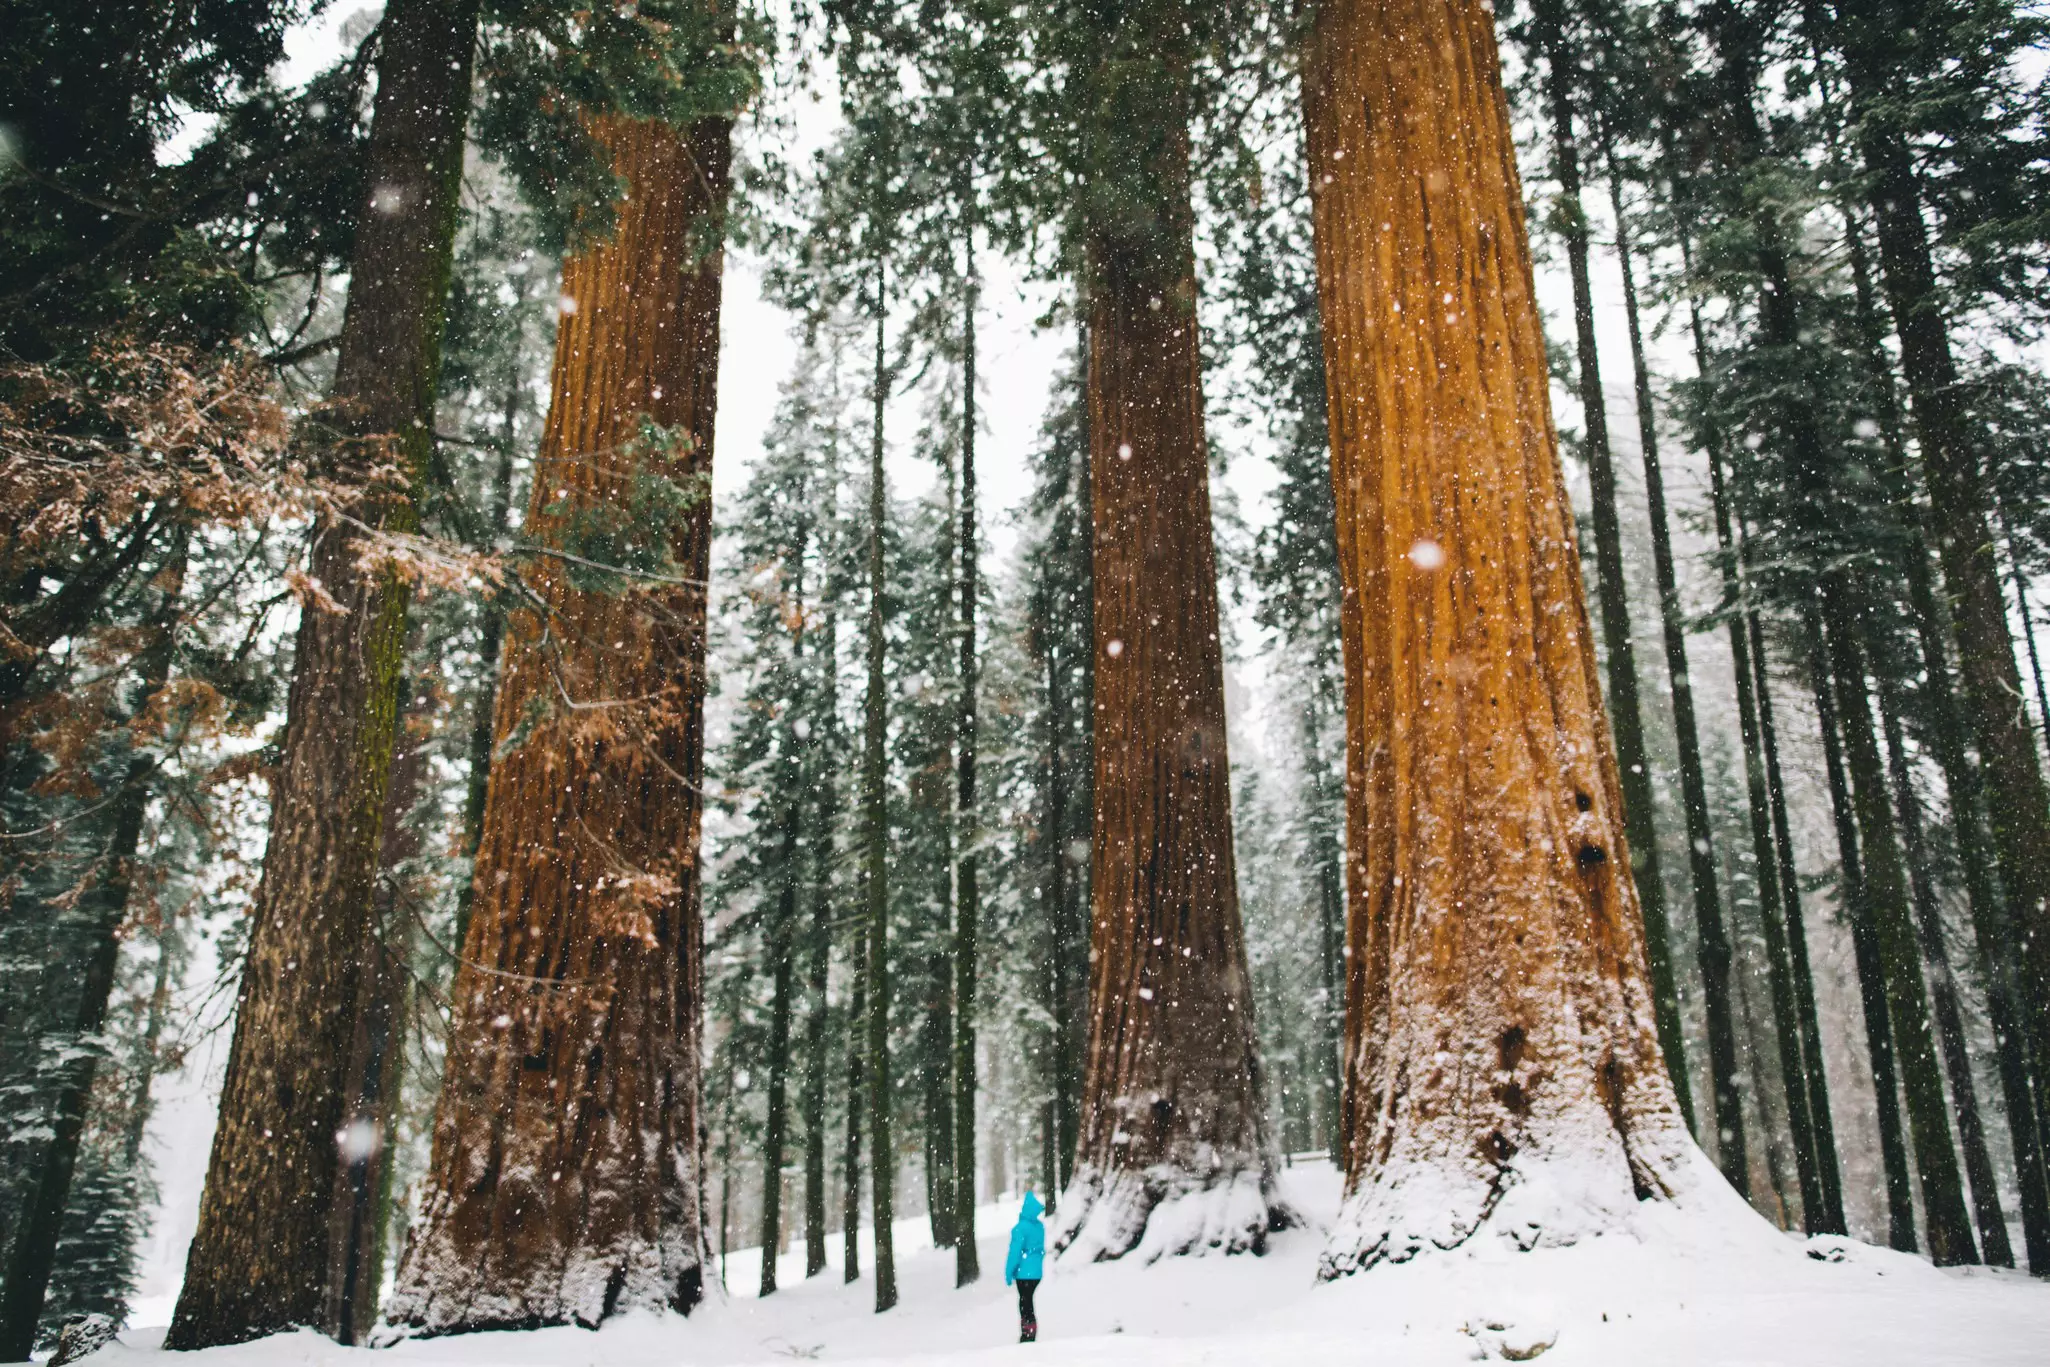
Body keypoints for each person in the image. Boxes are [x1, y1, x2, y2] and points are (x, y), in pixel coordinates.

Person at [1003, 1191, 1046, 1343]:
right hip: (1037, 1272)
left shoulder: (1020, 1228)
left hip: (1024, 1273)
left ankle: (1028, 1334)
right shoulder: (1039, 1227)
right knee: (1027, 1301)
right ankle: (1030, 1331)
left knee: (1024, 1303)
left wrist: (1009, 1273)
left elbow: (1014, 1253)